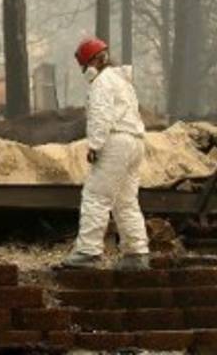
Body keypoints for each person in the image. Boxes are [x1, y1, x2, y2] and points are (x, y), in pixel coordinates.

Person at [59, 37, 150, 270]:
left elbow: (102, 116)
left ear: (92, 63)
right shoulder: (123, 81)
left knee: (96, 196)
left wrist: (95, 146)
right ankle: (136, 254)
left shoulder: (101, 83)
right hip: (135, 141)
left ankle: (88, 252)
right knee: (125, 201)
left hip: (115, 142)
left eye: (85, 67)